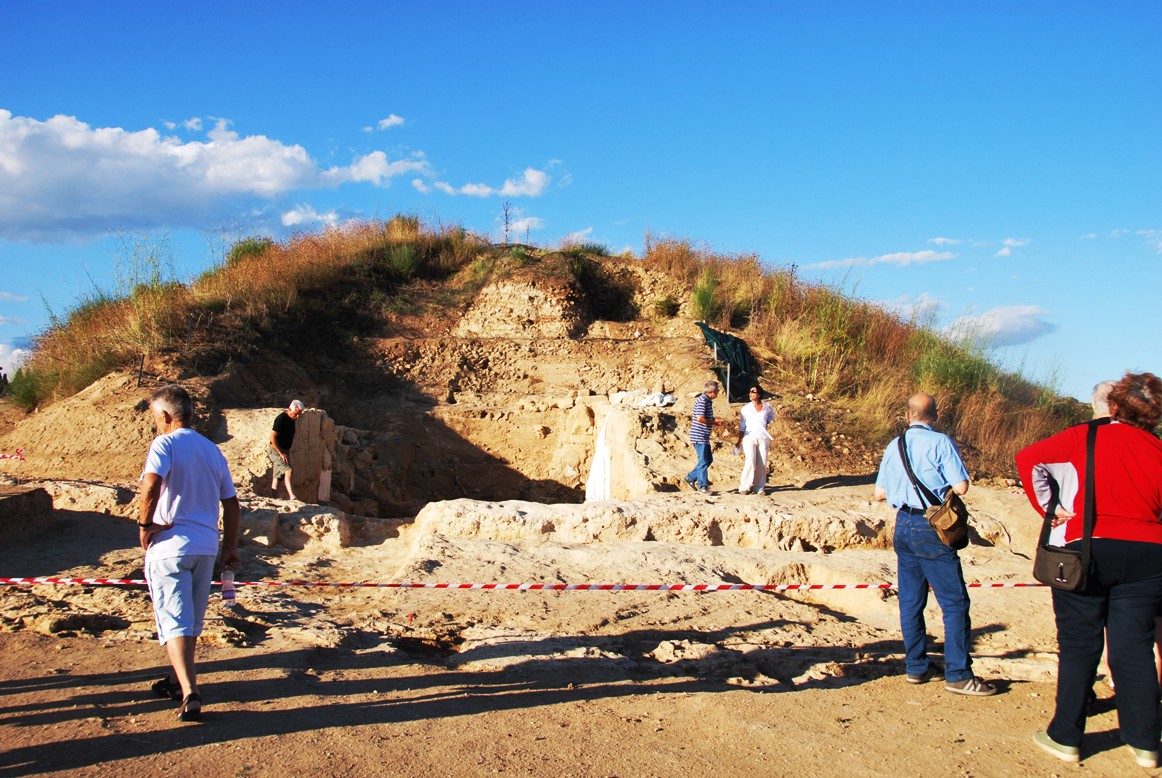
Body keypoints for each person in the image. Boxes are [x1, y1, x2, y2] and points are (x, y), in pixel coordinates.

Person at [1016, 372, 1162, 768]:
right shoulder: (1157, 448)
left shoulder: (1087, 436)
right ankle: (1147, 741)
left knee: (1080, 644)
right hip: (1150, 554)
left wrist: (1048, 508)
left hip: (1088, 546)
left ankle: (1066, 735)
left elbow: (1027, 457)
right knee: (1134, 648)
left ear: (1114, 406)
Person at [873, 392, 997, 697]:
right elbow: (961, 486)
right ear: (936, 416)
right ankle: (958, 673)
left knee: (911, 601)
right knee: (954, 603)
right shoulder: (941, 442)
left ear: (907, 416)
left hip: (902, 524)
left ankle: (916, 666)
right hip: (932, 525)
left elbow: (879, 493)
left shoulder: (894, 445)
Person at [138, 384, 240, 722]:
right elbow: (232, 502)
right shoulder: (212, 450)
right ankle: (173, 679)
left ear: (166, 416)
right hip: (206, 546)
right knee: (190, 620)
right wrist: (229, 547)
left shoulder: (164, 443)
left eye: (156, 417)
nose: (156, 423)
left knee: (174, 620)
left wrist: (145, 523)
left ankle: (189, 691)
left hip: (170, 546)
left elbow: (151, 485)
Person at [684, 380, 726, 494]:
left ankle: (690, 477)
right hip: (699, 436)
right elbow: (700, 418)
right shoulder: (702, 401)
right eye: (717, 390)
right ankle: (702, 486)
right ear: (712, 391)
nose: (718, 392)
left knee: (708, 460)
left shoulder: (707, 401)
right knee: (703, 461)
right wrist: (714, 423)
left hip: (703, 436)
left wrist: (713, 421)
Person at [736, 384, 775, 494]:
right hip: (749, 437)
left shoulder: (767, 407)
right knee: (750, 461)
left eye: (753, 392)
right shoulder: (746, 408)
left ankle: (759, 487)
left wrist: (763, 426)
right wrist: (739, 440)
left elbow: (770, 417)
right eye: (750, 392)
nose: (750, 394)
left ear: (759, 394)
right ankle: (744, 486)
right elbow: (742, 425)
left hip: (762, 437)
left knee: (762, 463)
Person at [268, 399, 305, 500]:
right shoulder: (281, 419)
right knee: (289, 470)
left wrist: (286, 452)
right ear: (291, 409)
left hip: (284, 451)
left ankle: (275, 499)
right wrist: (280, 453)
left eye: (299, 414)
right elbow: (272, 438)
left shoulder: (292, 419)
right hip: (276, 451)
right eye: (296, 413)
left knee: (277, 477)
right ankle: (292, 495)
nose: (297, 417)